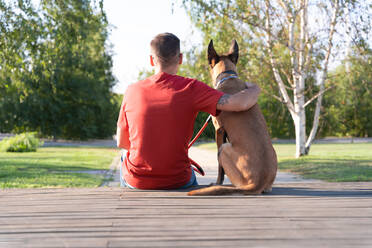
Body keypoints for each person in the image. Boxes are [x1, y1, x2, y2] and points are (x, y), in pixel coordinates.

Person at [116, 33, 260, 190]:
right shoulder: (191, 88)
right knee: (187, 172)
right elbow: (241, 103)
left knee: (125, 155)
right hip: (178, 180)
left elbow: (122, 142)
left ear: (151, 60)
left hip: (137, 181)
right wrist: (255, 88)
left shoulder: (132, 91)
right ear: (180, 59)